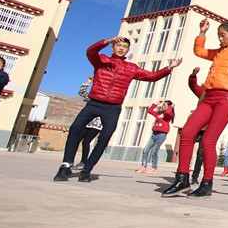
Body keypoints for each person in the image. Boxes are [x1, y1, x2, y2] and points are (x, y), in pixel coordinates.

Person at [53, 38, 181, 182]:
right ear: (112, 47)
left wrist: (169, 67)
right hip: (94, 103)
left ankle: (86, 170)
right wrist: (106, 41)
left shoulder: (131, 68)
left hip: (113, 108)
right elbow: (90, 52)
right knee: (75, 128)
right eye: (118, 45)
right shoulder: (101, 60)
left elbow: (152, 76)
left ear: (128, 50)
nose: (121, 48)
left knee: (104, 138)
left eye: (125, 46)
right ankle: (66, 165)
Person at [162, 15, 228, 198]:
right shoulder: (218, 53)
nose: (220, 38)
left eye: (223, 35)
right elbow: (199, 51)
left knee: (208, 140)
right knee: (187, 132)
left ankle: (206, 184)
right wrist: (202, 32)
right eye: (218, 35)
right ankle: (182, 179)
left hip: (227, 98)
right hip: (208, 97)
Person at [73, 77, 102, 171]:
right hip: (87, 122)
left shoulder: (105, 100)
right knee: (77, 139)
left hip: (97, 124)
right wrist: (87, 83)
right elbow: (82, 93)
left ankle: (84, 162)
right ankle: (70, 160)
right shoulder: (92, 97)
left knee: (86, 142)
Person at [137, 100, 174, 174]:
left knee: (154, 151)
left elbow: (167, 113)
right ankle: (143, 166)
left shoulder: (168, 114)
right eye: (162, 105)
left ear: (168, 106)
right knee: (145, 150)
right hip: (154, 134)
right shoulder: (159, 113)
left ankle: (154, 168)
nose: (163, 106)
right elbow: (149, 111)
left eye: (164, 105)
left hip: (161, 134)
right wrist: (155, 104)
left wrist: (171, 107)